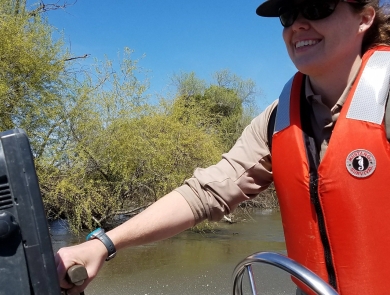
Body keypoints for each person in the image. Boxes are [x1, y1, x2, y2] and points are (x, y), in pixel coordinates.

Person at [56, 0, 390, 294]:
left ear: (364, 18)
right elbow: (207, 192)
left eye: (318, 7)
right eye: (289, 14)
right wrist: (103, 244)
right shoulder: (280, 118)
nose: (300, 23)